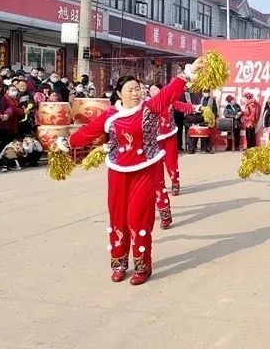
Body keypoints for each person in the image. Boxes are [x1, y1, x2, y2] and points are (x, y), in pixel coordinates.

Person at [57, 59, 203, 285]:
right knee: (118, 219)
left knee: (138, 218)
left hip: (146, 169)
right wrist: (67, 142)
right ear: (119, 93)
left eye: (138, 89)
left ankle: (143, 266)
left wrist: (190, 71)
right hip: (118, 171)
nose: (136, 93)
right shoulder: (110, 115)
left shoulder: (150, 108)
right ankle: (119, 263)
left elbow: (169, 92)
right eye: (130, 90)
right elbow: (88, 132)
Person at [149, 83, 195, 228]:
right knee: (151, 179)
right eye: (150, 90)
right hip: (152, 142)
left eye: (155, 89)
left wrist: (196, 108)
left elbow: (182, 106)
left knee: (171, 163)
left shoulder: (169, 101)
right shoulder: (146, 106)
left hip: (168, 136)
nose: (153, 92)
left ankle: (175, 183)